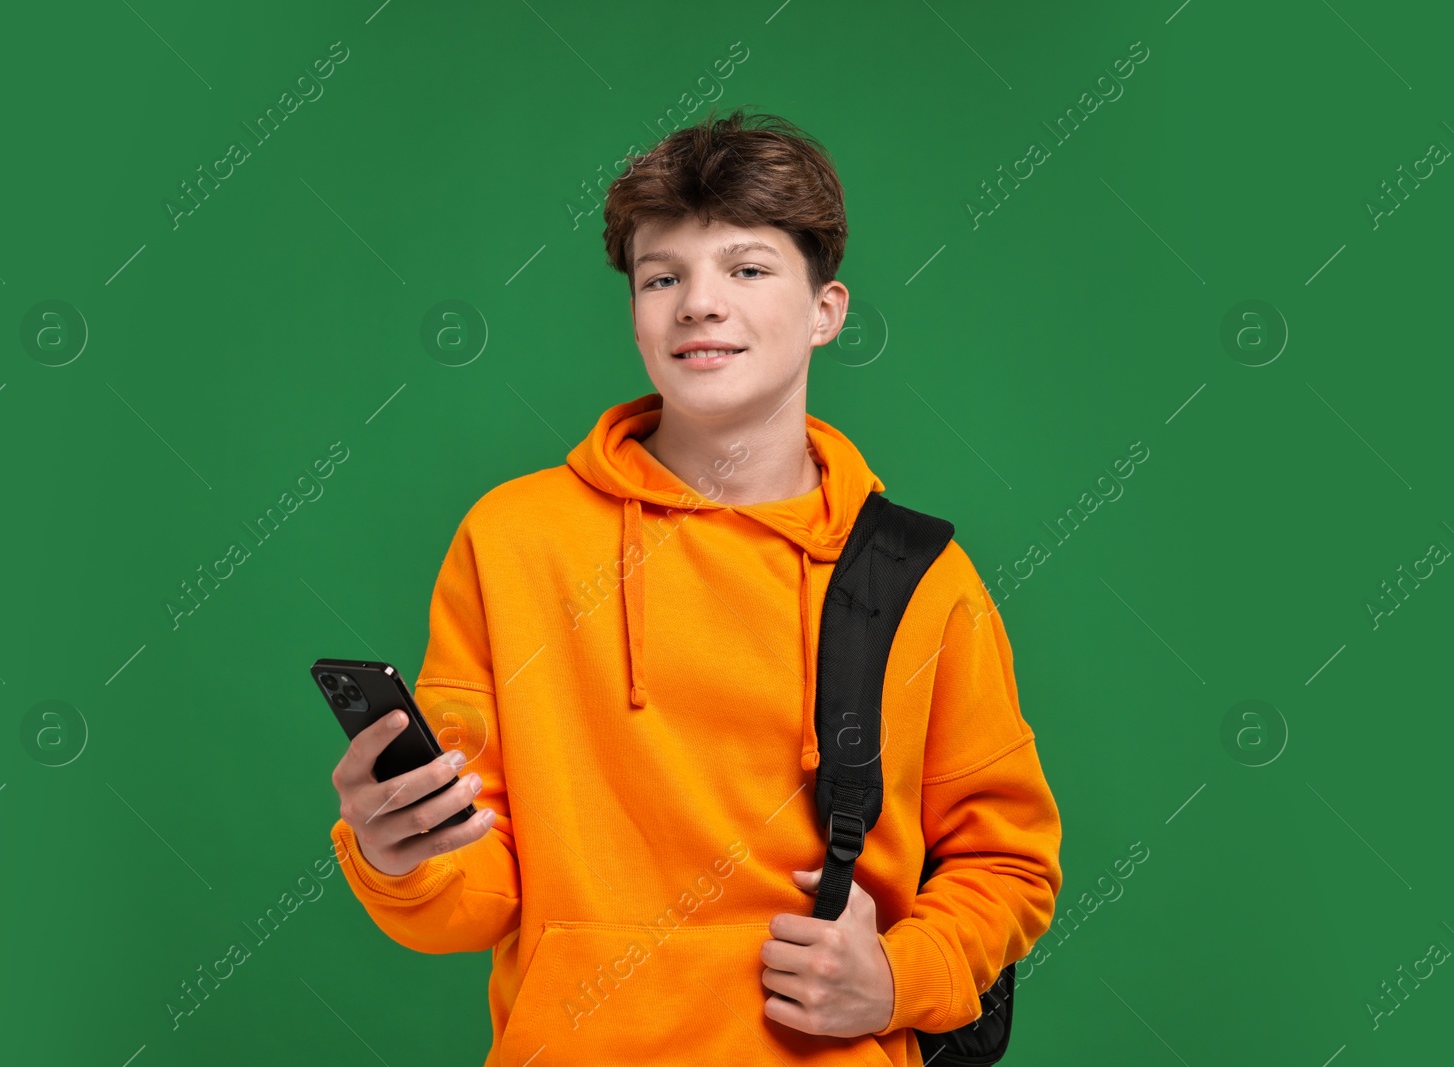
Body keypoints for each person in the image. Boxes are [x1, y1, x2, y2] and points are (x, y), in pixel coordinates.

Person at [329, 106, 1062, 1066]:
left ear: (825, 311)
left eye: (747, 270)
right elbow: (476, 896)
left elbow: (1007, 861)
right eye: (662, 276)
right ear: (634, 309)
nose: (698, 305)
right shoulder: (513, 539)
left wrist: (898, 977)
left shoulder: (915, 577)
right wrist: (400, 852)